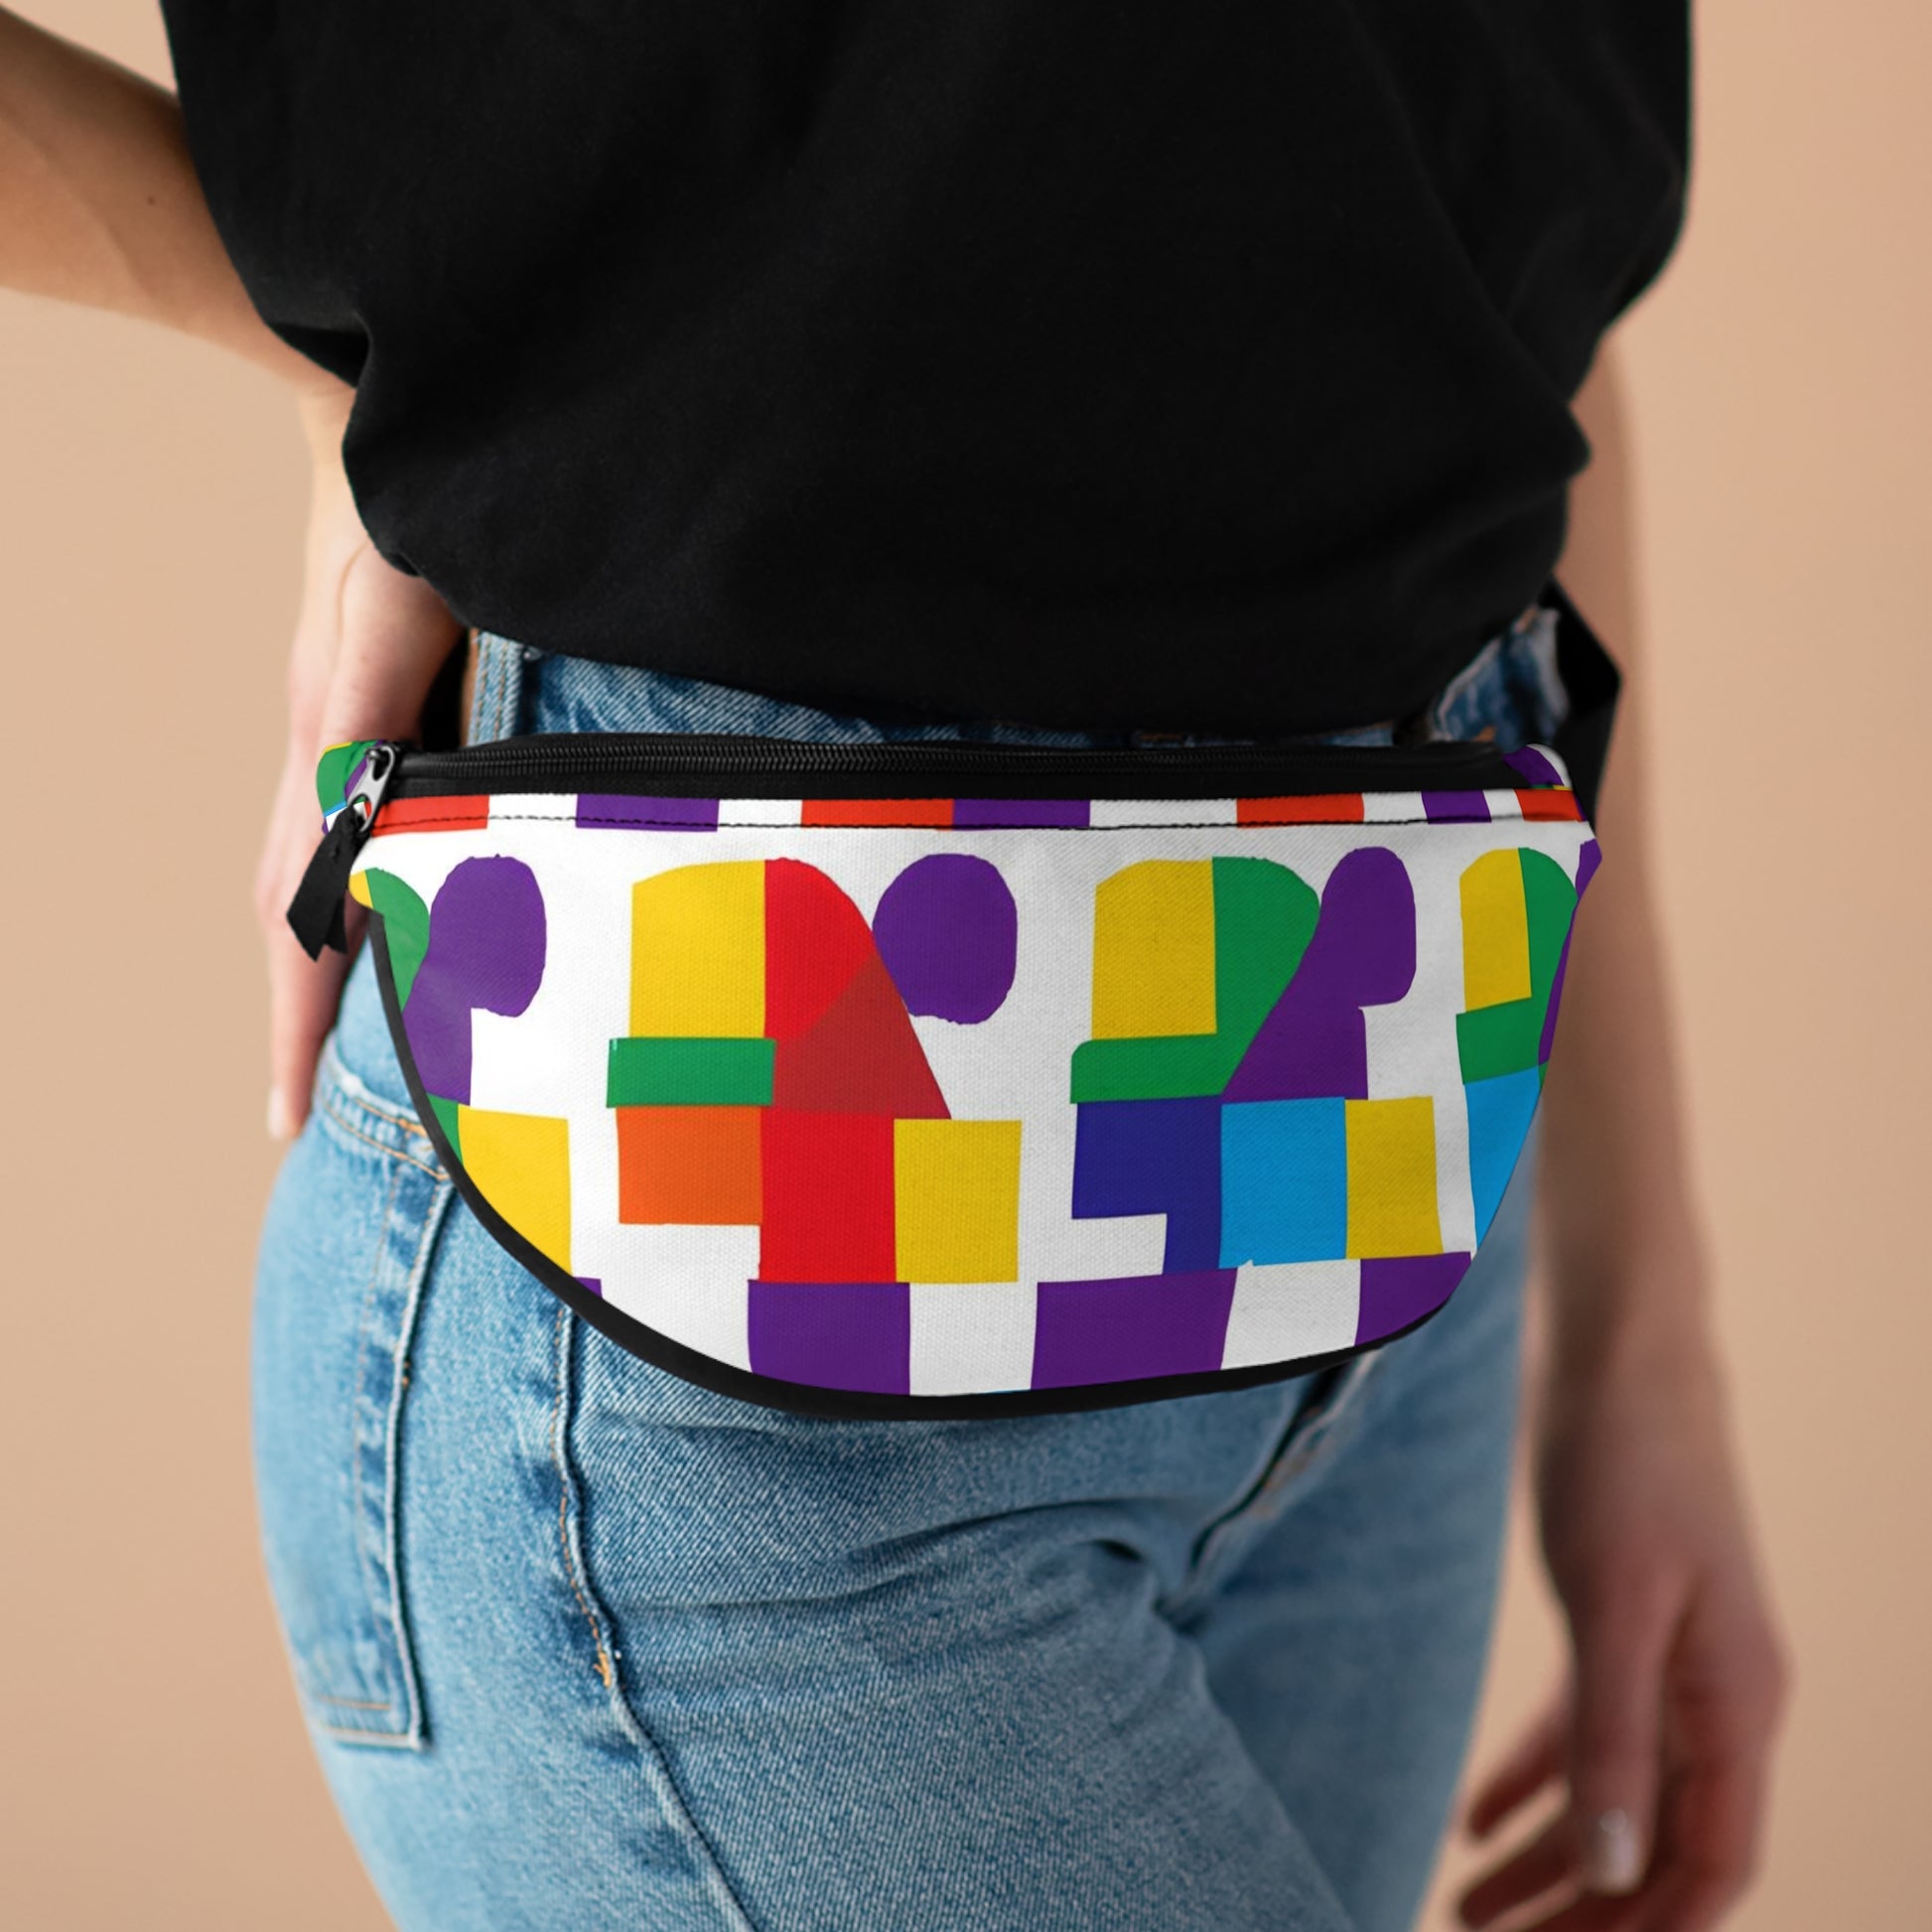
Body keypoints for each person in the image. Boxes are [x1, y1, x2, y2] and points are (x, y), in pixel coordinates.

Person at [1, 7, 1787, 1928]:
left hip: (1397, 1148)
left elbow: (1503, 268)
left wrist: (1641, 1332)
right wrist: (350, 373)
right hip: (725, 1319)